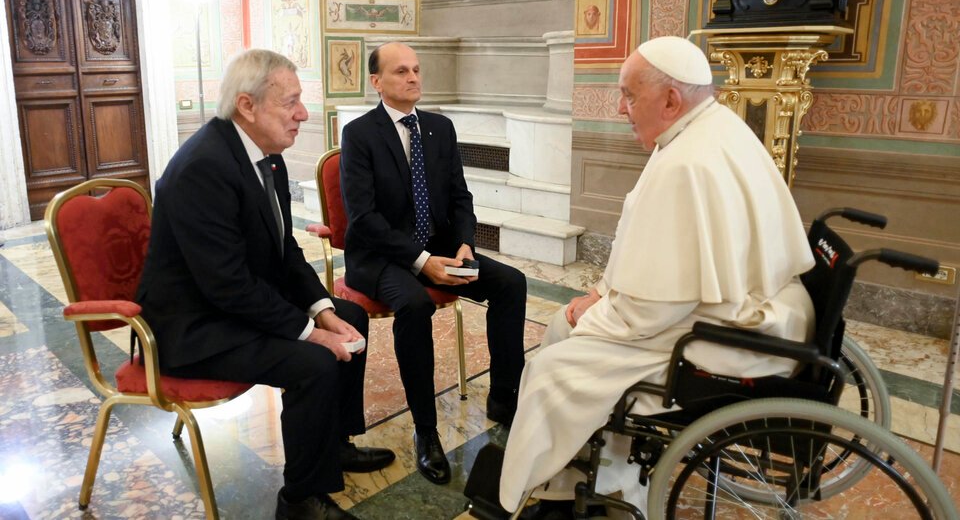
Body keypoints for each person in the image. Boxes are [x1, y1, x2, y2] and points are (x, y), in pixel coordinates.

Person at [497, 36, 817, 514]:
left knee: (552, 369)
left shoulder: (687, 162)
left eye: (629, 94)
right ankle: (591, 474)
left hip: (725, 335)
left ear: (670, 100)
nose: (620, 108)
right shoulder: (711, 127)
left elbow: (652, 310)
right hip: (750, 310)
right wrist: (602, 293)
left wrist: (596, 313)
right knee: (567, 326)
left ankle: (557, 490)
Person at [135, 49, 395, 520]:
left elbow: (283, 249)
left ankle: (332, 445)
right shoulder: (204, 167)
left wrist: (322, 310)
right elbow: (227, 285)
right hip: (196, 326)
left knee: (350, 316)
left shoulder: (265, 156)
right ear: (247, 106)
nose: (303, 114)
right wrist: (310, 333)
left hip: (230, 304)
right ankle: (299, 499)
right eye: (290, 102)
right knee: (313, 362)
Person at [339, 42, 528, 485]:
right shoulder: (359, 134)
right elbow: (364, 219)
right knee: (414, 304)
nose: (413, 78)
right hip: (381, 256)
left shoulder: (440, 128)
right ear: (376, 82)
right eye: (401, 71)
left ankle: (504, 396)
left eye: (417, 70)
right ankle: (426, 431)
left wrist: (464, 245)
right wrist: (422, 262)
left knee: (511, 282)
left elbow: (460, 196)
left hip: (440, 248)